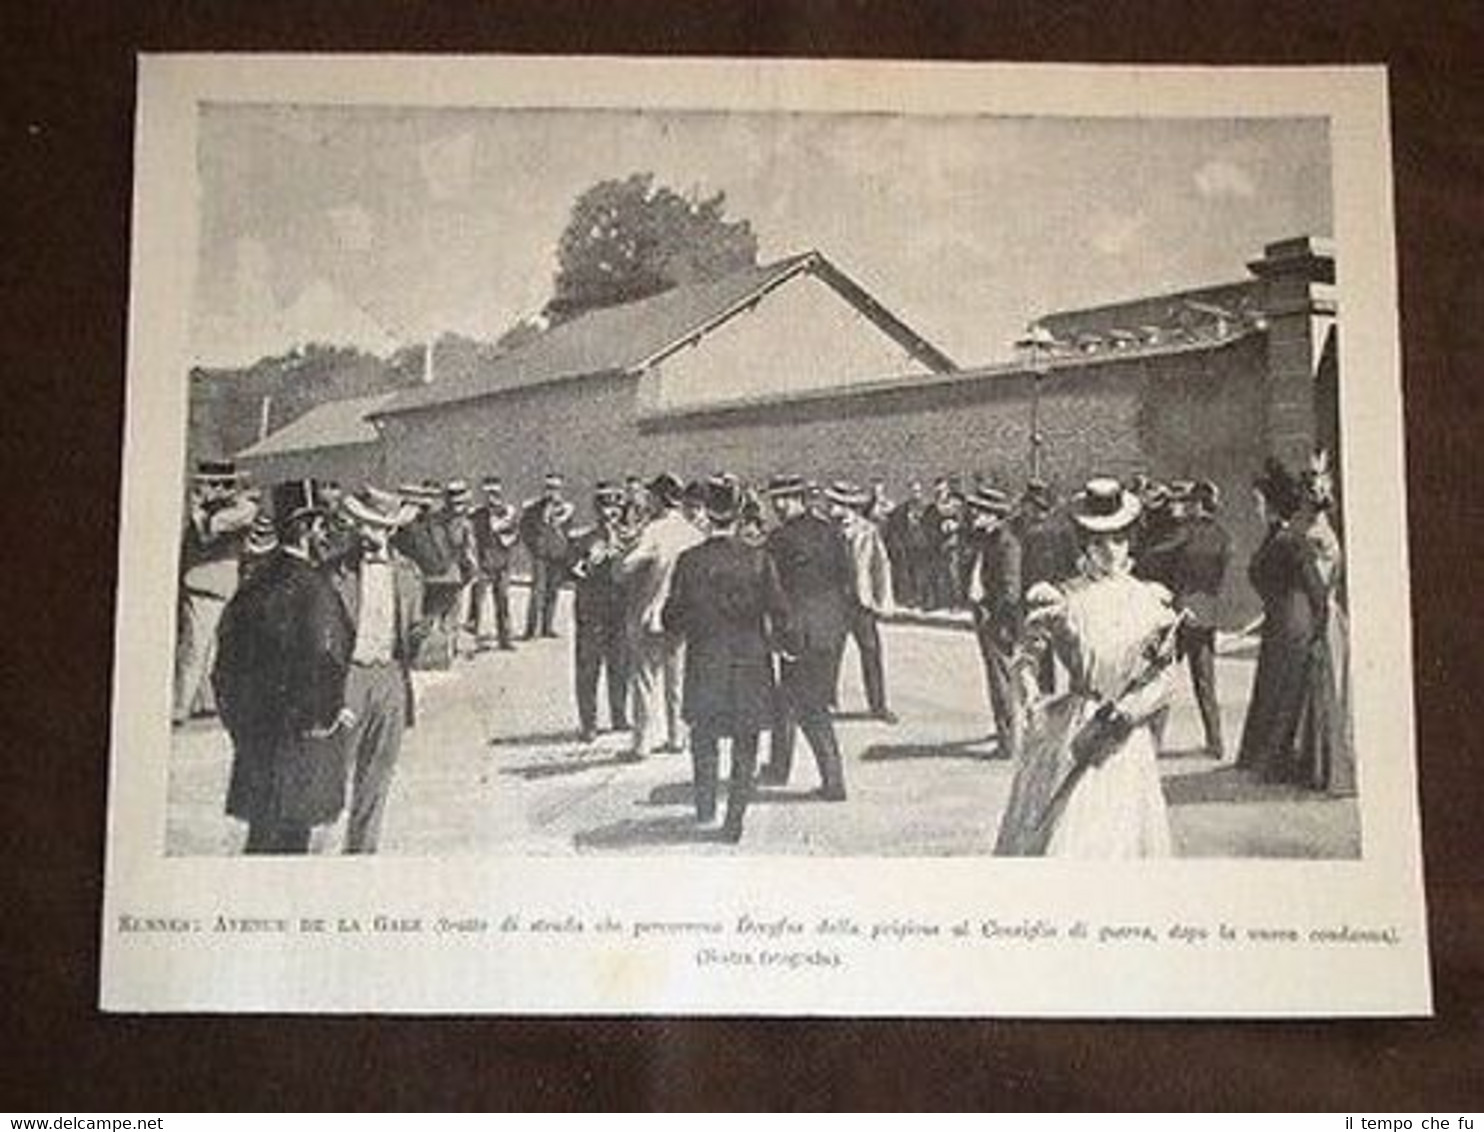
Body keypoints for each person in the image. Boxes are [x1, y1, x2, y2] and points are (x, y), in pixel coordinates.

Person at [994, 478, 1182, 858]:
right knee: (1073, 831)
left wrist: (1131, 709)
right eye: (1098, 542)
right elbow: (1026, 657)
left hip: (1127, 733)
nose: (1110, 551)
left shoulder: (1150, 600)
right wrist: (1032, 699)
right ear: (1085, 545)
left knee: (1127, 836)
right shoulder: (1062, 598)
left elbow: (1165, 674)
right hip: (1080, 725)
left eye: (1118, 540)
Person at [213, 479, 352, 854]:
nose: (326, 534)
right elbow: (327, 661)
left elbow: (223, 669)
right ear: (307, 530)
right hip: (301, 746)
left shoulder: (253, 584)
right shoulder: (316, 589)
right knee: (291, 852)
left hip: (257, 744)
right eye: (321, 525)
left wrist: (241, 728)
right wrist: (329, 715)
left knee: (260, 844)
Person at [663, 476, 788, 841]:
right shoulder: (759, 560)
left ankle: (704, 811)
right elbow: (780, 612)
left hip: (705, 665)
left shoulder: (688, 561)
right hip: (750, 665)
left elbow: (672, 617)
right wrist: (781, 643)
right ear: (736, 516)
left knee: (704, 740)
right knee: (746, 745)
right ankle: (735, 821)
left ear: (707, 516)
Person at [1236, 459, 1349, 792]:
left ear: (1270, 504)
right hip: (1281, 621)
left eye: (1257, 501)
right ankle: (1271, 759)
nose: (1254, 507)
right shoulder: (1279, 536)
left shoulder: (1291, 540)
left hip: (1294, 623)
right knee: (1276, 690)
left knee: (1287, 692)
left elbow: (1316, 587)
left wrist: (1317, 626)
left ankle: (1283, 762)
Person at [327, 486, 428, 853]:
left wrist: (422, 635)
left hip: (391, 680)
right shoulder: (336, 571)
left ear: (390, 531)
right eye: (361, 524)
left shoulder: (408, 572)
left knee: (376, 781)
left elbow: (414, 630)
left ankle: (360, 860)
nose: (363, 532)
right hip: (347, 678)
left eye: (372, 526)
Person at [758, 473, 850, 800]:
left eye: (779, 500)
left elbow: (774, 595)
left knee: (811, 707)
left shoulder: (779, 541)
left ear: (794, 498)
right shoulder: (832, 532)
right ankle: (778, 766)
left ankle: (834, 781)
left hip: (799, 634)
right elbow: (845, 582)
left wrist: (779, 635)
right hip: (831, 632)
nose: (776, 507)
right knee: (787, 700)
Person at [616, 472, 704, 759]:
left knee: (644, 680)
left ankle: (641, 744)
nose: (649, 500)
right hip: (684, 616)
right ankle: (677, 737)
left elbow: (625, 568)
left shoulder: (653, 530)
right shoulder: (692, 532)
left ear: (660, 499)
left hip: (651, 615)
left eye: (652, 495)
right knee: (677, 679)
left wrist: (623, 551)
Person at [175, 459, 258, 724]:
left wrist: (201, 507)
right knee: (197, 650)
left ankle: (195, 705)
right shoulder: (210, 511)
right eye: (212, 484)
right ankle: (190, 704)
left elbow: (212, 529)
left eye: (223, 484)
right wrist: (201, 507)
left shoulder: (239, 510)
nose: (217, 489)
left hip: (219, 587)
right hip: (203, 587)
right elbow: (204, 534)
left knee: (205, 651)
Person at [1298, 451, 1355, 795]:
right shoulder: (1324, 531)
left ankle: (1329, 770)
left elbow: (1320, 587)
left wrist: (1315, 625)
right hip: (1331, 614)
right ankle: (1319, 766)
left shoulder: (1316, 535)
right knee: (1323, 689)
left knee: (1327, 690)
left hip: (1325, 616)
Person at [1169, 480, 1231, 759]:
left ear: (1198, 505)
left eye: (1191, 502)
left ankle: (1152, 740)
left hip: (1181, 614)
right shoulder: (1222, 536)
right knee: (1206, 683)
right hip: (1207, 615)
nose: (1186, 506)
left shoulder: (1184, 534)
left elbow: (1168, 564)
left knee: (1163, 677)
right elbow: (1220, 576)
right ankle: (1216, 743)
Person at [825, 481, 896, 723]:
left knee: (871, 651)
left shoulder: (868, 531)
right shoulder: (828, 532)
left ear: (847, 506)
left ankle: (878, 705)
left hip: (861, 603)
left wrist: (881, 600)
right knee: (831, 653)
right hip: (835, 602)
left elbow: (880, 565)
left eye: (835, 503)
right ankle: (827, 701)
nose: (830, 507)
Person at [569, 482, 633, 743]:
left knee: (620, 665)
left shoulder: (630, 538)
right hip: (592, 612)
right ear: (598, 509)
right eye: (606, 506)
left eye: (616, 506)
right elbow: (569, 570)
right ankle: (589, 724)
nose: (611, 512)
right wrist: (587, 562)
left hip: (619, 611)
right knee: (588, 668)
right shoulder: (583, 539)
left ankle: (619, 716)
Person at [963, 485, 1023, 759]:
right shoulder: (986, 539)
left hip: (998, 623)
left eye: (981, 511)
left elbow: (1011, 591)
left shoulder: (1006, 544)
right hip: (986, 616)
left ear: (994, 515)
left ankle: (1008, 741)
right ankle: (1005, 735)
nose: (975, 514)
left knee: (1001, 682)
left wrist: (993, 617)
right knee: (997, 679)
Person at [1015, 480, 1080, 694]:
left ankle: (1046, 695)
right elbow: (1074, 563)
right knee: (1071, 648)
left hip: (1037, 595)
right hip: (1061, 592)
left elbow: (1025, 567)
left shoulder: (1029, 533)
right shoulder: (1065, 528)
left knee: (1040, 650)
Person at [520, 473, 574, 639]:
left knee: (553, 591)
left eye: (556, 488)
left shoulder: (567, 509)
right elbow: (524, 529)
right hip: (540, 555)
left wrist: (565, 551)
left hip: (557, 555)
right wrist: (533, 547)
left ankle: (547, 627)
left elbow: (568, 532)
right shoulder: (533, 508)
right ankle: (531, 630)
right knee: (538, 591)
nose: (553, 492)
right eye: (549, 487)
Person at [471, 475, 519, 651]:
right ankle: (471, 637)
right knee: (476, 601)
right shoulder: (477, 514)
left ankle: (505, 638)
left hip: (502, 563)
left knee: (503, 601)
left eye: (494, 492)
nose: (491, 497)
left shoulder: (508, 512)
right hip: (483, 563)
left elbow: (515, 535)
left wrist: (505, 537)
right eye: (488, 493)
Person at [884, 479, 931, 610]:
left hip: (923, 546)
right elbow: (895, 526)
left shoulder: (928, 508)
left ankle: (922, 599)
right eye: (913, 491)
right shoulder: (902, 509)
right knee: (908, 573)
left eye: (918, 491)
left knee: (922, 574)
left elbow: (932, 527)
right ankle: (910, 598)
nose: (916, 494)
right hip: (908, 546)